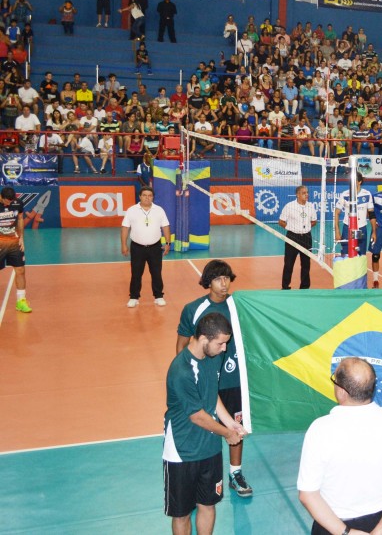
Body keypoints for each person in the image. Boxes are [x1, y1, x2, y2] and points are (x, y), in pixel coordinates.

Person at [297, 357, 382, 535]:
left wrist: (346, 532)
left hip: (332, 526)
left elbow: (308, 495)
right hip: (381, 522)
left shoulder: (320, 429)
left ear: (341, 390)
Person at [174, 260, 253, 498]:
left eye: (227, 278)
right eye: (218, 279)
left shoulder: (239, 306)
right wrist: (189, 379)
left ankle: (235, 473)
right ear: (208, 282)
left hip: (234, 379)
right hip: (206, 381)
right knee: (204, 425)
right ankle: (197, 471)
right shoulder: (193, 309)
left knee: (235, 426)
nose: (224, 283)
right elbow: (181, 346)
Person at [163, 312, 246, 535]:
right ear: (203, 339)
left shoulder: (213, 357)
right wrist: (226, 434)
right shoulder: (180, 371)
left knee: (208, 504)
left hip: (209, 449)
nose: (224, 349)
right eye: (220, 343)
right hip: (183, 450)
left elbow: (212, 395)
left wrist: (230, 423)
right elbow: (197, 416)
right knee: (181, 513)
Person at [121, 186, 171, 308]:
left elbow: (165, 227)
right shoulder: (131, 210)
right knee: (136, 273)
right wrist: (124, 245)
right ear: (140, 196)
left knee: (156, 273)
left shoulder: (159, 210)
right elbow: (125, 228)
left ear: (153, 197)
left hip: (155, 248)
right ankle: (134, 297)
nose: (147, 198)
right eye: (144, 195)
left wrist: (168, 243)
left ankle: (159, 296)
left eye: (150, 195)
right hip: (137, 248)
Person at [279, 185, 316, 290]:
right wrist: (291, 228)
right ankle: (285, 287)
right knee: (289, 264)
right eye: (304, 193)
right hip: (292, 236)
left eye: (307, 192)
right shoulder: (289, 206)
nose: (307, 195)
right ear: (297, 195)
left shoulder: (311, 206)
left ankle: (304, 287)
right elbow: (281, 221)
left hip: (306, 237)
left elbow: (314, 221)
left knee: (306, 264)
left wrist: (306, 227)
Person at [0, 187, 30, 313]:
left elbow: (20, 218)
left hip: (14, 241)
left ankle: (21, 301)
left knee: (20, 270)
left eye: (11, 202)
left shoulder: (17, 203)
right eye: (7, 202)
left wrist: (21, 237)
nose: (9, 204)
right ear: (1, 197)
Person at [333, 172, 372, 257]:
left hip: (361, 228)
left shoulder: (367, 194)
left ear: (359, 182)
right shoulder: (345, 194)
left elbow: (371, 213)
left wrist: (374, 230)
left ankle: (361, 270)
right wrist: (337, 231)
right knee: (346, 254)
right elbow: (336, 213)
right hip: (348, 228)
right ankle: (347, 270)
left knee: (361, 254)